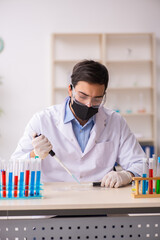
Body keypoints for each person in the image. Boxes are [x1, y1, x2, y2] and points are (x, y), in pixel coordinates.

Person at [11, 60, 146, 187]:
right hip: (54, 203)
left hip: (101, 200)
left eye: (97, 99)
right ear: (70, 90)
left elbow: (141, 163)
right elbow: (13, 169)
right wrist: (34, 155)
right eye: (82, 96)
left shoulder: (115, 122)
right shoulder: (43, 120)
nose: (89, 104)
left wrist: (127, 175)